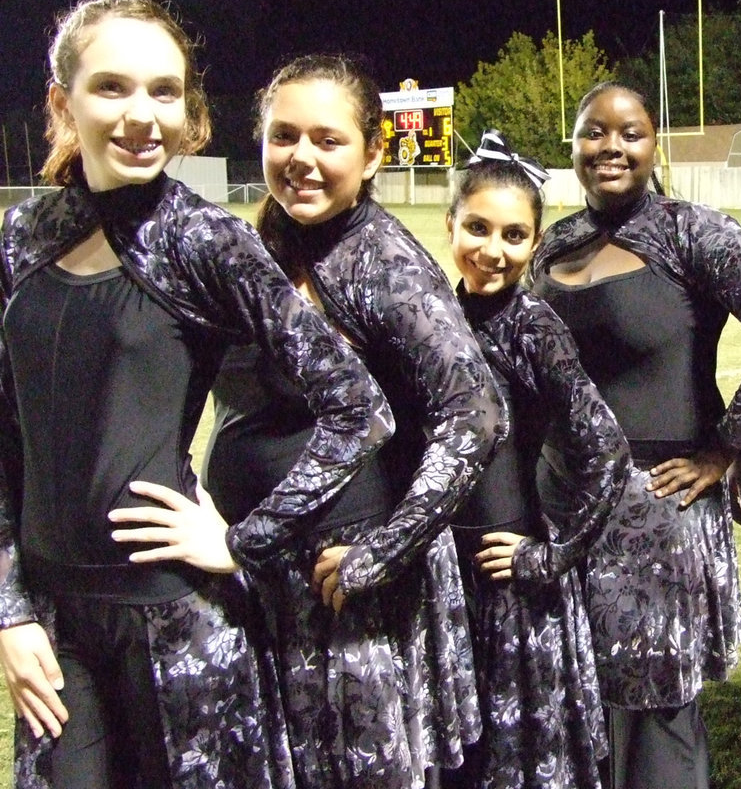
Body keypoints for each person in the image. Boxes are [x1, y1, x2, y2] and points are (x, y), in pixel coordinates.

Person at [0, 0, 394, 787]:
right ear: (62, 101)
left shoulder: (207, 242)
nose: (141, 115)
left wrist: (245, 541)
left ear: (189, 109)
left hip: (177, 619)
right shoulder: (22, 240)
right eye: (111, 87)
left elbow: (358, 409)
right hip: (53, 627)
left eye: (164, 91)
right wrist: (9, 609)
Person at [116, 54, 507, 788]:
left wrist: (384, 551)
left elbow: (477, 414)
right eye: (283, 136)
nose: (302, 158)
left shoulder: (383, 261)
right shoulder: (257, 246)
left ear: (372, 153)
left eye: (328, 140)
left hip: (341, 592)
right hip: (246, 576)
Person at [528, 81, 741, 789]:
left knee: (656, 711)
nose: (610, 147)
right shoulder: (557, 241)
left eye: (629, 132)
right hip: (562, 502)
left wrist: (729, 444)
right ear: (572, 146)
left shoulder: (691, 230)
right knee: (578, 699)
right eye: (593, 132)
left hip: (654, 511)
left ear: (653, 143)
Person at [441, 129, 630, 789]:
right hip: (439, 577)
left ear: (534, 243)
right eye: (477, 227)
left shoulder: (535, 326)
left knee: (515, 763)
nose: (492, 250)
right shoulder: (433, 316)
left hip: (509, 581)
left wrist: (550, 555)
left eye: (513, 235)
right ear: (451, 224)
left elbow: (608, 449)